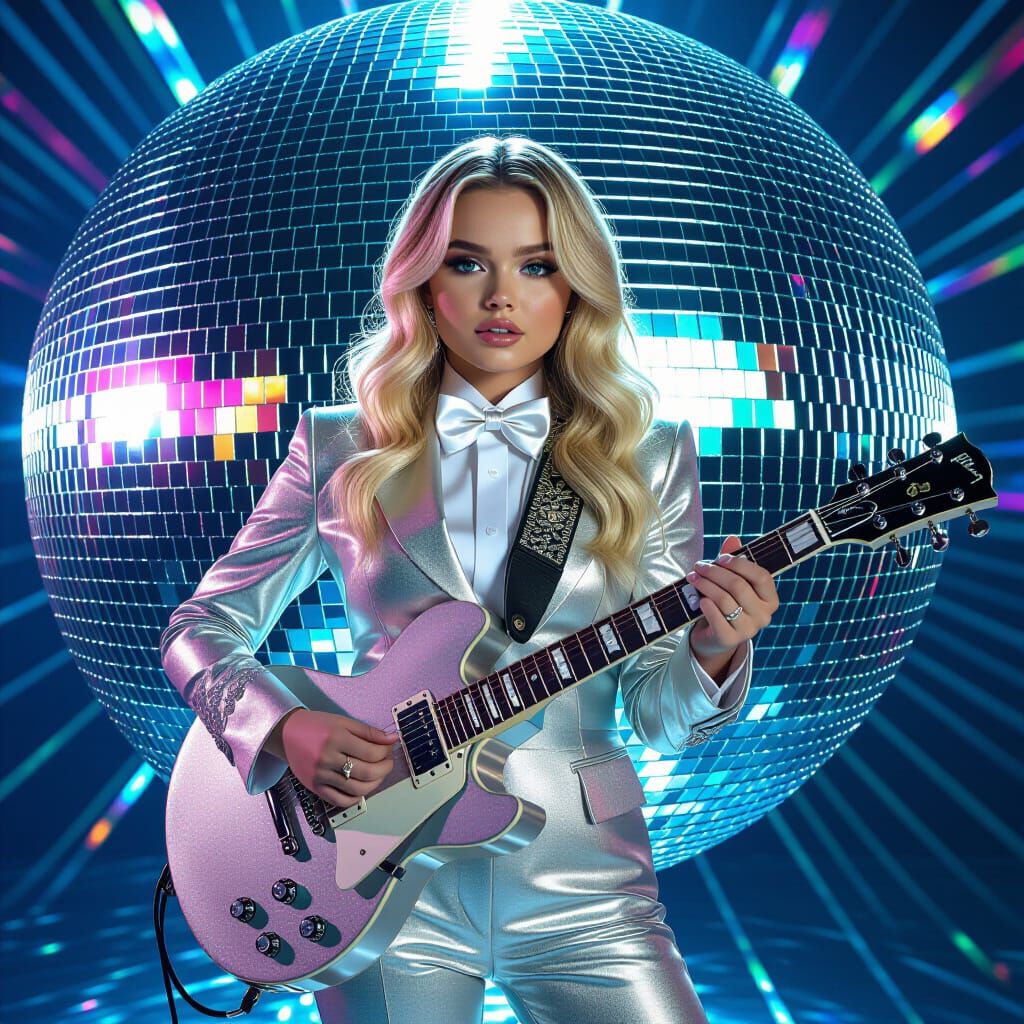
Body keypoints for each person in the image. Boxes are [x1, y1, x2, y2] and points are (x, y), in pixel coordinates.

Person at [160, 135, 780, 1024]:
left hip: (585, 876)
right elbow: (199, 628)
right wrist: (285, 728)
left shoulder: (645, 456)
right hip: (372, 863)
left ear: (576, 288)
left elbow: (659, 714)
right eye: (466, 262)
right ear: (422, 281)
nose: (501, 296)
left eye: (537, 265)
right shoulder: (339, 447)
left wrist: (714, 651)